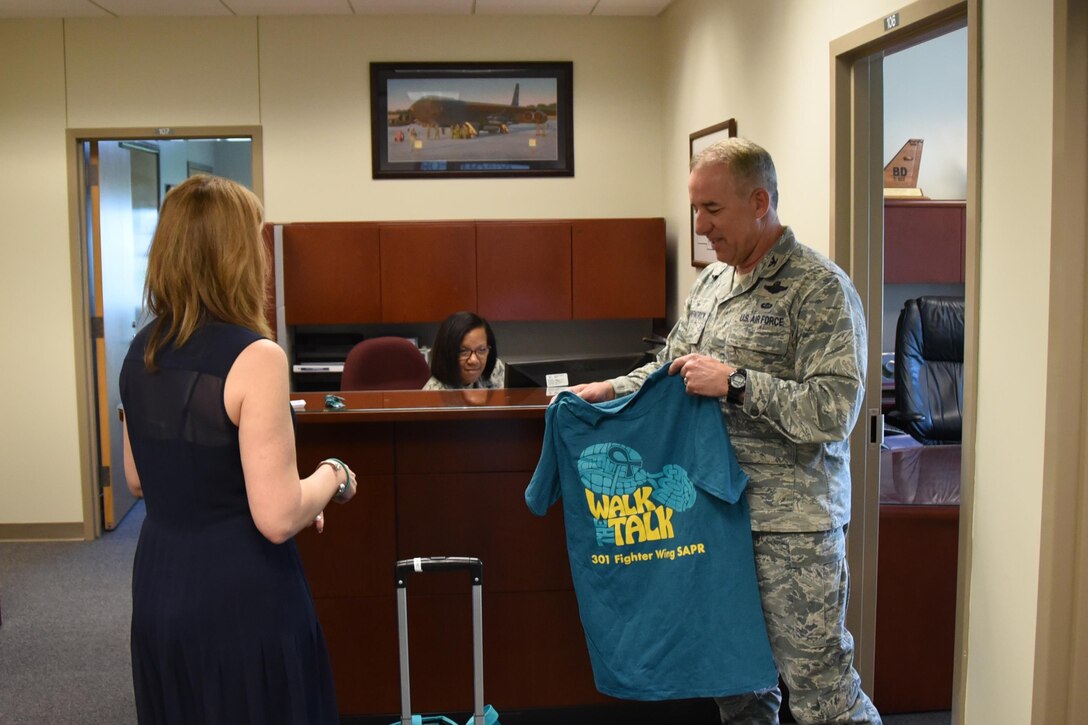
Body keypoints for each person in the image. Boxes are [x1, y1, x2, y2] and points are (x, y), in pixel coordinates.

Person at [571, 138, 881, 725]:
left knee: (822, 694)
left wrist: (737, 382)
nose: (701, 225)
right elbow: (672, 367)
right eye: (696, 209)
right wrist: (608, 390)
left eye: (712, 209)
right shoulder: (713, 284)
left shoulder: (820, 288)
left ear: (759, 200)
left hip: (790, 529)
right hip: (719, 515)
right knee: (738, 686)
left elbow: (836, 410)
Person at [120, 175, 358, 724]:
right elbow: (276, 518)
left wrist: (294, 499)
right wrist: (333, 477)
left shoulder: (141, 349)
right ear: (235, 255)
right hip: (239, 591)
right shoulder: (257, 356)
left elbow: (137, 478)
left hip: (160, 582)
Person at [423, 311, 506, 390]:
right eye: (463, 351)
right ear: (446, 354)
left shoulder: (495, 369)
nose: (473, 360)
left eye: (481, 350)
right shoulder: (433, 394)